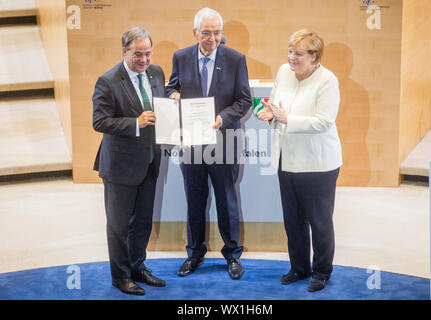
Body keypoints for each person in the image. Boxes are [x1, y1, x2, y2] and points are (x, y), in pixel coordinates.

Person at [166, 8, 252, 280]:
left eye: (217, 33)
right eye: (206, 33)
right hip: (191, 144)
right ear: (195, 33)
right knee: (194, 200)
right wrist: (174, 95)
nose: (213, 39)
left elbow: (244, 100)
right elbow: (171, 87)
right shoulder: (180, 57)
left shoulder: (236, 59)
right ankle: (194, 254)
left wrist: (222, 118)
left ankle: (232, 256)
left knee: (227, 201)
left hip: (223, 141)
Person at [258, 29, 342, 292]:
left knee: (319, 221)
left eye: (298, 53)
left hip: (318, 165)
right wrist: (270, 114)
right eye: (290, 51)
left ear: (314, 56)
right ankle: (299, 267)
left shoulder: (327, 80)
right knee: (292, 219)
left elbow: (324, 121)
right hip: (287, 159)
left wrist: (286, 119)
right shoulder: (284, 72)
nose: (291, 57)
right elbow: (273, 105)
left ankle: (321, 271)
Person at [93, 27, 166, 295]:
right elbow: (99, 121)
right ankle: (121, 276)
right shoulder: (108, 80)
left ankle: (138, 267)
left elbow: (162, 104)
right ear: (124, 51)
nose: (144, 60)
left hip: (149, 162)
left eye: (148, 53)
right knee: (118, 225)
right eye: (138, 54)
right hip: (120, 167)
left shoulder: (157, 72)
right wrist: (135, 123)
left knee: (143, 222)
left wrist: (173, 101)